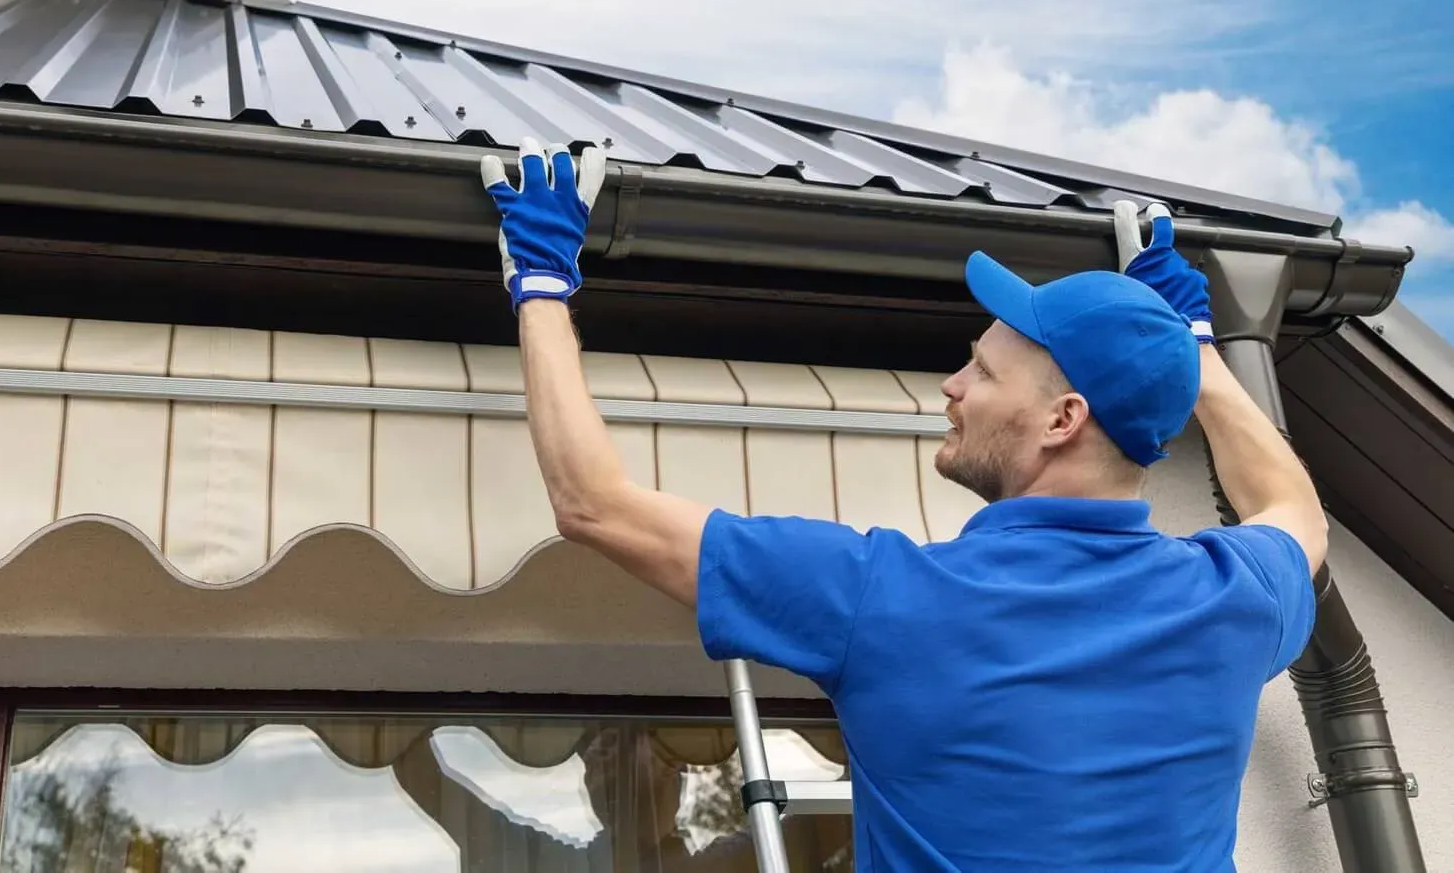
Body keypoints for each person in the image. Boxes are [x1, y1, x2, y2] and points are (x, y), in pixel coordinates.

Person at [477, 138, 1325, 872]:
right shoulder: (1232, 598)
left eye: (983, 371)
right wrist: (1191, 350)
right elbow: (1295, 507)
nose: (952, 386)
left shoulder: (886, 599)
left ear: (1063, 421)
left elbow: (593, 504)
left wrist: (542, 284)